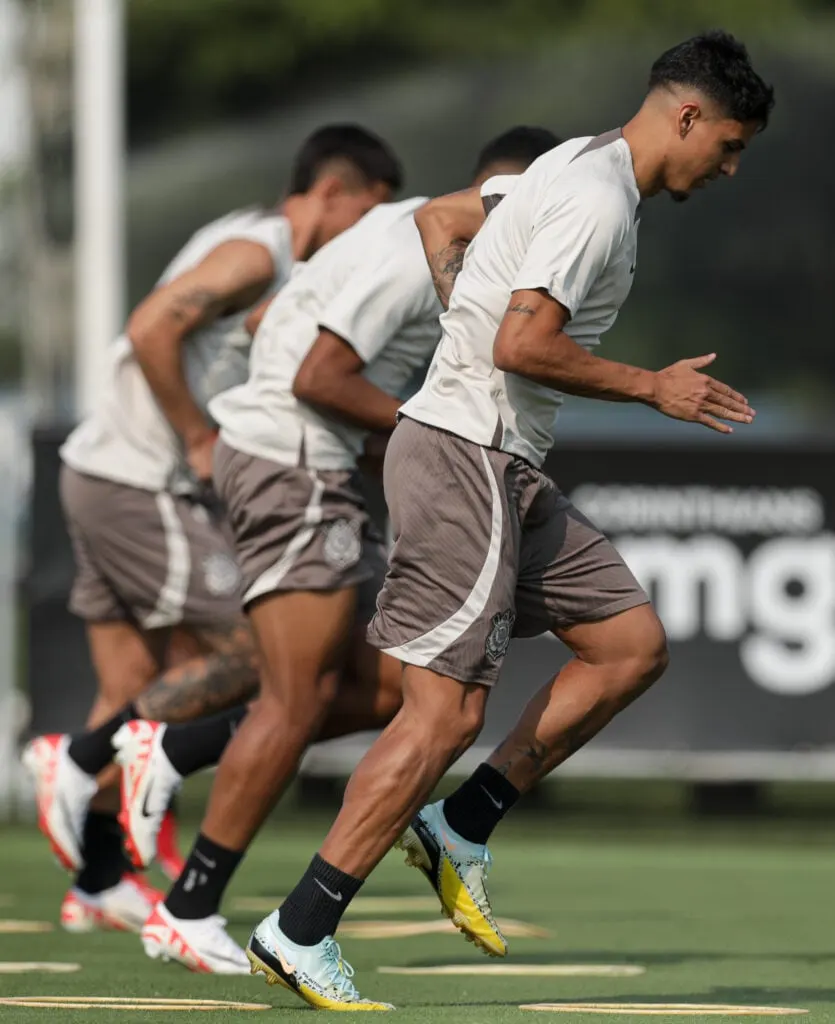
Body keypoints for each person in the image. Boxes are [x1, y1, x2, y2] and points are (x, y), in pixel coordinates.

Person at [245, 31, 775, 1009]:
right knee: (442, 710)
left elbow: (445, 222)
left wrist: (460, 325)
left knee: (627, 643)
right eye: (729, 145)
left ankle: (462, 822)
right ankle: (300, 924)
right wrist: (649, 386)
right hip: (467, 457)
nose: (729, 167)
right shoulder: (598, 196)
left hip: (498, 460)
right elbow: (523, 341)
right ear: (686, 115)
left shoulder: (570, 158)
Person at [134, 127, 561, 986]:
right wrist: (433, 433)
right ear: (514, 194)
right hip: (291, 463)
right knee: (293, 705)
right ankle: (188, 908)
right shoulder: (423, 245)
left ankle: (179, 750)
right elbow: (318, 376)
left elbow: (271, 323)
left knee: (391, 691)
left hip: (300, 461)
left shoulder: (419, 235)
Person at [21, 124, 403, 935]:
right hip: (136, 480)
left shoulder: (260, 249)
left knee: (130, 683)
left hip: (99, 471)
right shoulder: (261, 246)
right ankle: (82, 758)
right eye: (365, 217)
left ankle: (97, 880)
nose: (369, 240)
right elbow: (156, 324)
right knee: (252, 650)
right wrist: (198, 435)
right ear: (330, 194)